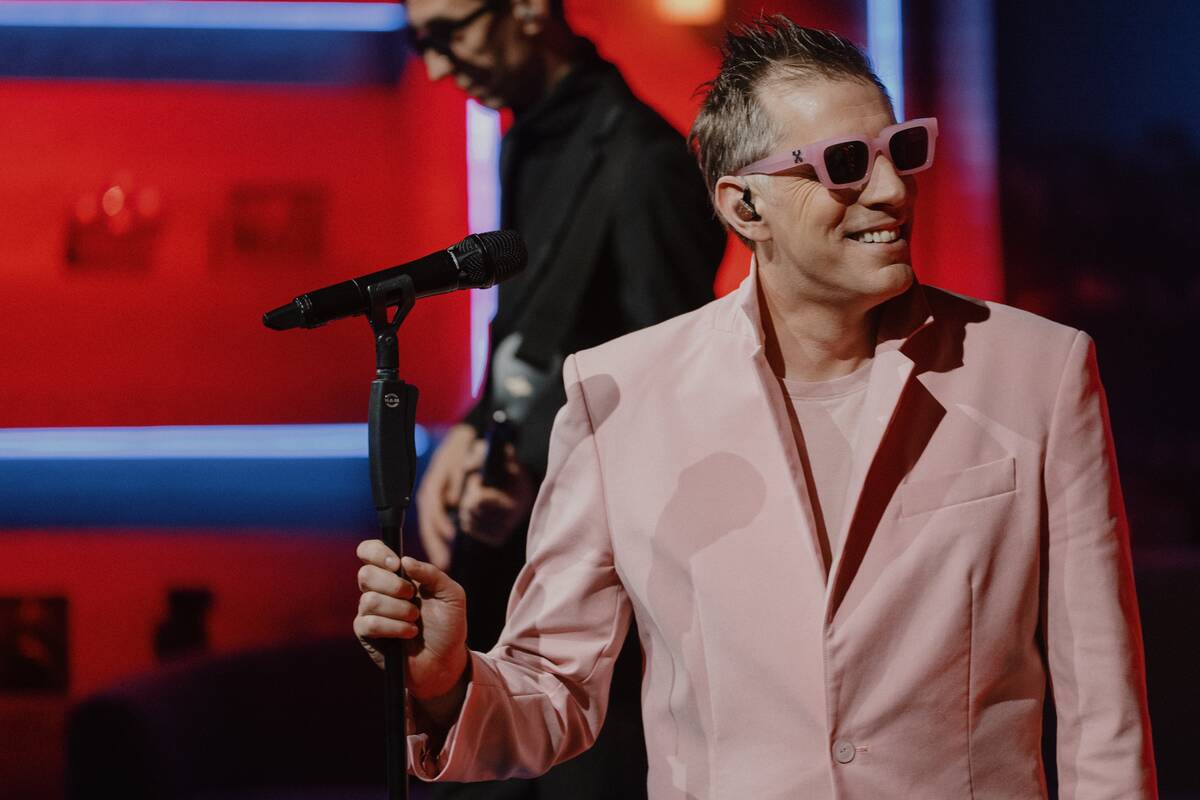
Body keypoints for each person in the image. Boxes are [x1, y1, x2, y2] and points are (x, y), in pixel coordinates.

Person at [356, 16, 1157, 799]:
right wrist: (448, 682)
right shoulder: (619, 393)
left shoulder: (1039, 369)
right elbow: (554, 689)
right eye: (846, 163)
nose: (891, 191)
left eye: (902, 150)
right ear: (744, 207)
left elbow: (1104, 709)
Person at [401, 0, 726, 797]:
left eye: (447, 32)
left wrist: (542, 474)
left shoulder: (645, 160)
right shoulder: (527, 140)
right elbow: (532, 330)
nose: (435, 66)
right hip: (506, 573)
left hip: (598, 613)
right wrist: (474, 429)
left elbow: (670, 390)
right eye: (418, 41)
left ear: (527, 7)